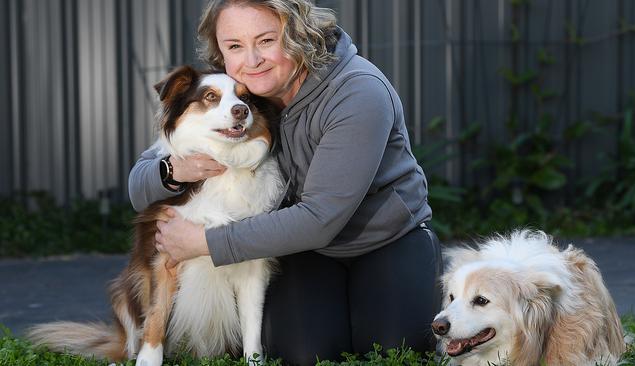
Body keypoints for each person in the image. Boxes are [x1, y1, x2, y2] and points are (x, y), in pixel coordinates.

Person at [128, 0, 442, 364]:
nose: (251, 59)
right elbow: (139, 186)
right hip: (302, 250)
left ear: (298, 35)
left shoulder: (358, 92)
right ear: (220, 52)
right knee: (304, 355)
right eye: (234, 46)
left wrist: (203, 241)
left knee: (394, 351)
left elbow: (320, 217)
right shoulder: (235, 92)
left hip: (385, 240)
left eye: (266, 40)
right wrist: (173, 170)